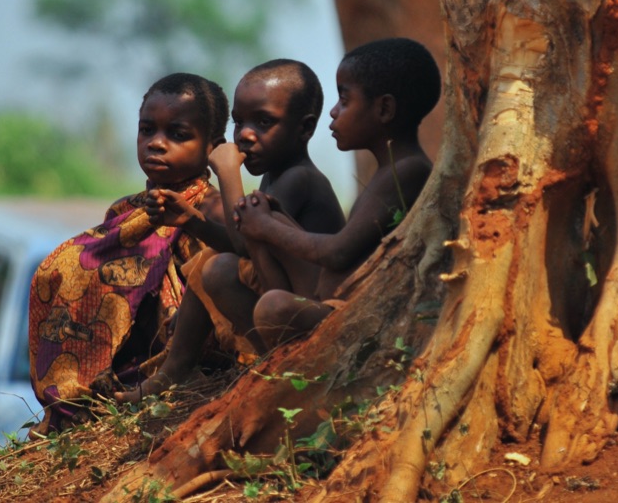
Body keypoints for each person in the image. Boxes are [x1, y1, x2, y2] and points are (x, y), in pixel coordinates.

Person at [115, 59, 346, 403]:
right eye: (239, 122)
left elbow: (244, 238)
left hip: (310, 315)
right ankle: (176, 371)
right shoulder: (275, 175)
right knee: (216, 264)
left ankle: (257, 367)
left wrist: (227, 173)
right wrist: (192, 221)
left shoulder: (300, 179)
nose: (246, 135)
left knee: (218, 262)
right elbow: (243, 249)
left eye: (264, 122)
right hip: (280, 299)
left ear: (304, 128)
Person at [28, 72, 230, 436]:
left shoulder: (213, 212)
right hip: (119, 382)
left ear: (213, 148)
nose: (156, 143)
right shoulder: (124, 212)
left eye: (178, 134)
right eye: (147, 130)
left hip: (185, 371)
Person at [232, 37, 441, 350]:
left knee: (274, 306)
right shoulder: (388, 171)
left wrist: (267, 226)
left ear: (384, 108)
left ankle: (277, 359)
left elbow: (337, 253)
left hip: (360, 319)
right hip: (328, 300)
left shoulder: (408, 171)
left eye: (344, 100)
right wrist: (266, 221)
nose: (333, 111)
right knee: (263, 215)